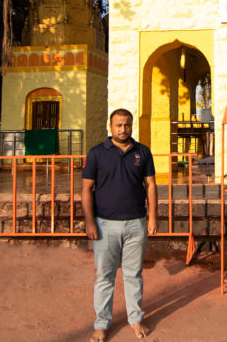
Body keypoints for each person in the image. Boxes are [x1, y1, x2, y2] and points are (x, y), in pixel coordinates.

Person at [82, 108, 158, 341]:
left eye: (127, 125)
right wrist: (89, 222)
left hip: (136, 224)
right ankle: (102, 323)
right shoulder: (97, 154)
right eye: (118, 125)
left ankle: (135, 318)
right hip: (105, 225)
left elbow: (151, 185)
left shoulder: (142, 152)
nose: (123, 129)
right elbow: (86, 188)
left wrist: (153, 217)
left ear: (131, 125)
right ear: (110, 126)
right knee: (104, 276)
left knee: (133, 274)